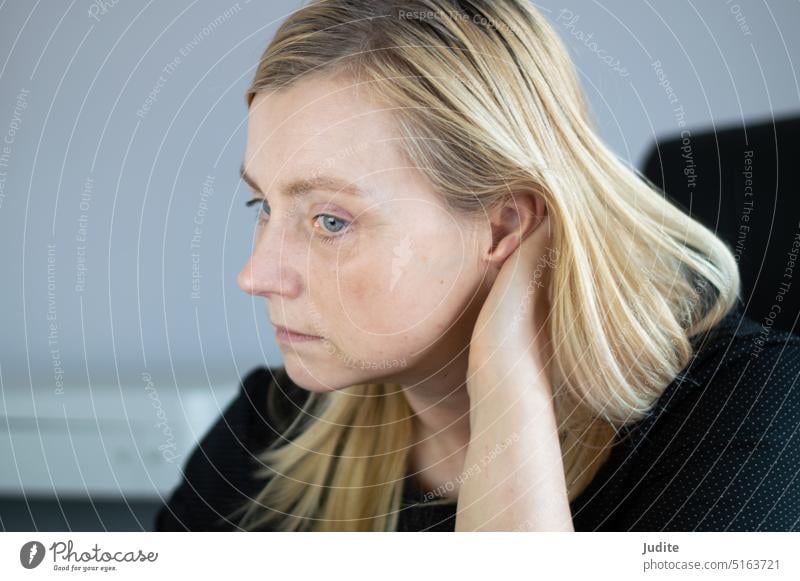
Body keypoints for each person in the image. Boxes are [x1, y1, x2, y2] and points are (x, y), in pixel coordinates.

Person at [155, 0, 800, 531]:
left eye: (331, 221)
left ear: (503, 228)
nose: (257, 275)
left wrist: (507, 382)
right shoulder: (267, 429)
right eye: (262, 205)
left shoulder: (742, 416)